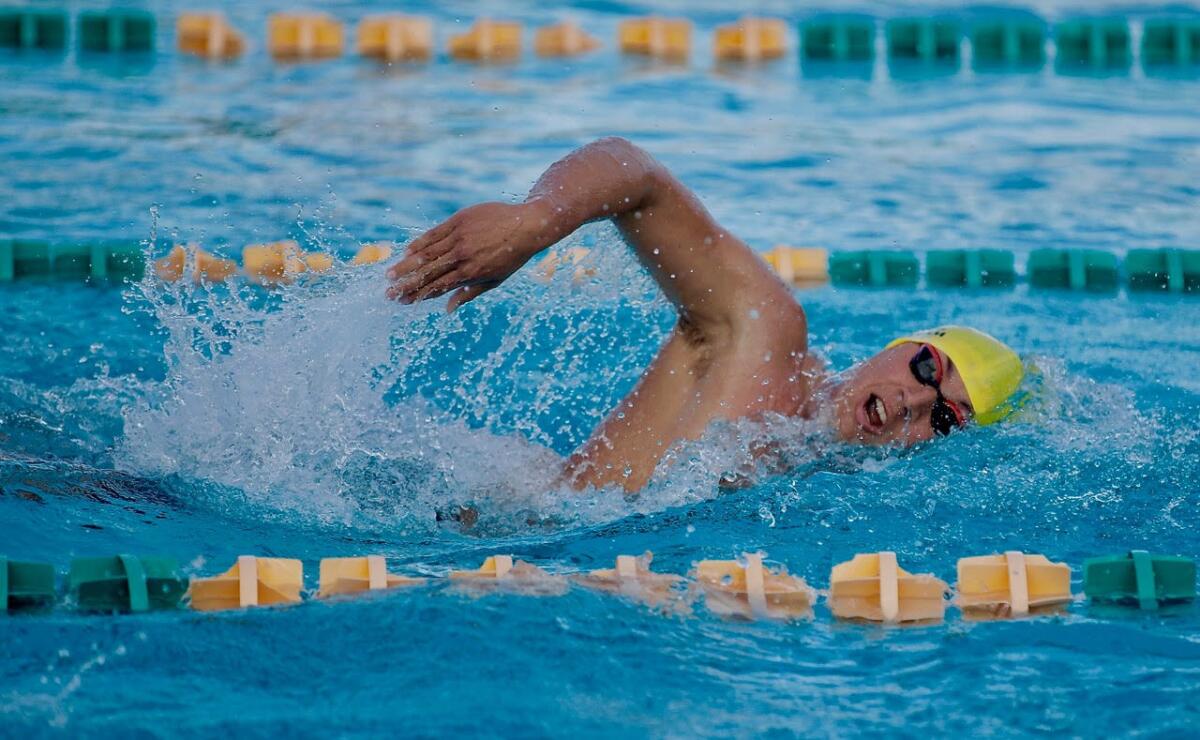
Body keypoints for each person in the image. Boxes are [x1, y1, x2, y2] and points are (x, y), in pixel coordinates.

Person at [387, 137, 1023, 492]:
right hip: (482, 522)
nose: (913, 401)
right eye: (926, 368)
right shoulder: (767, 336)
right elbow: (638, 177)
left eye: (943, 420)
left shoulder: (822, 482)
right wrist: (534, 221)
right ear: (899, 345)